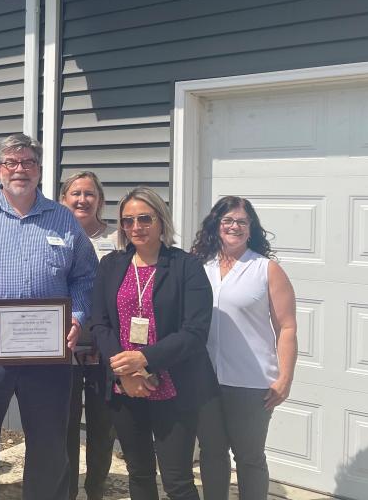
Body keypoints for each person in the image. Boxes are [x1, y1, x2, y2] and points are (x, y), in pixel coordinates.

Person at [0, 134, 97, 500]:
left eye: (28, 162)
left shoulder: (63, 220)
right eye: (11, 162)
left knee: (49, 442)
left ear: (39, 170)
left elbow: (85, 276)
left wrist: (77, 316)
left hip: (47, 351)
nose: (20, 169)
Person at [88, 187, 217, 500]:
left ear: (161, 221)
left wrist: (143, 361)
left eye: (144, 219)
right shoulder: (112, 264)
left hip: (174, 384)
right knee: (140, 473)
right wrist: (124, 369)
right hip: (125, 386)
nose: (135, 227)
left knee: (178, 480)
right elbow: (99, 323)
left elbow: (195, 332)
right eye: (127, 221)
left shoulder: (186, 266)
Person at [191, 196, 297, 500]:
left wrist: (285, 378)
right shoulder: (199, 266)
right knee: (211, 454)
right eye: (227, 220)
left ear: (251, 228)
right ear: (216, 225)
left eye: (241, 221)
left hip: (251, 382)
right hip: (205, 378)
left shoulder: (266, 269)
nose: (234, 226)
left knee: (249, 457)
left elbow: (287, 327)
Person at [58, 171, 117, 500]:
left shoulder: (118, 238)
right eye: (75, 193)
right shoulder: (52, 235)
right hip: (62, 347)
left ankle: (95, 488)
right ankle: (66, 490)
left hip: (104, 347)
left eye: (90, 194)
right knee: (65, 422)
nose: (82, 200)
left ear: (100, 200)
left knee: (102, 424)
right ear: (64, 199)